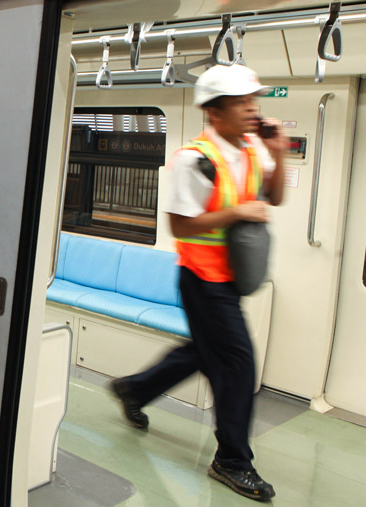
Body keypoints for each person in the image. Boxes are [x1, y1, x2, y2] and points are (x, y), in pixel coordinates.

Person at [110, 64, 287, 502]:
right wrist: (238, 213)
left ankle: (134, 388)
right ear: (216, 111)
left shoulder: (250, 148)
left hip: (229, 279)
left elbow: (277, 195)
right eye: (243, 102)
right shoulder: (196, 159)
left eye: (253, 101)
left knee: (206, 352)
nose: (252, 109)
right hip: (202, 277)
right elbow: (181, 227)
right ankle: (231, 460)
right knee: (238, 363)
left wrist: (278, 152)